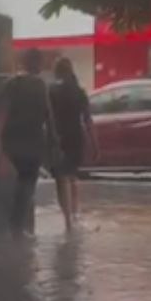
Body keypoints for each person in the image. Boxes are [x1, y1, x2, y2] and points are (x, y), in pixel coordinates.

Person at [0, 49, 56, 237]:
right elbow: (49, 118)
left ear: (23, 62)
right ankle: (21, 229)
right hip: (33, 146)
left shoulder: (11, 84)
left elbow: (2, 116)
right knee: (26, 187)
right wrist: (53, 144)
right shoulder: (41, 86)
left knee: (16, 188)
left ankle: (17, 228)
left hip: (12, 145)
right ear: (38, 65)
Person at [48, 57, 97, 232]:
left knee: (62, 179)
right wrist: (94, 142)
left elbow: (47, 118)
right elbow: (88, 120)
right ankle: (75, 215)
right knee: (72, 176)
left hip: (58, 138)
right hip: (76, 137)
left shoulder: (52, 91)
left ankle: (68, 219)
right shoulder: (79, 91)